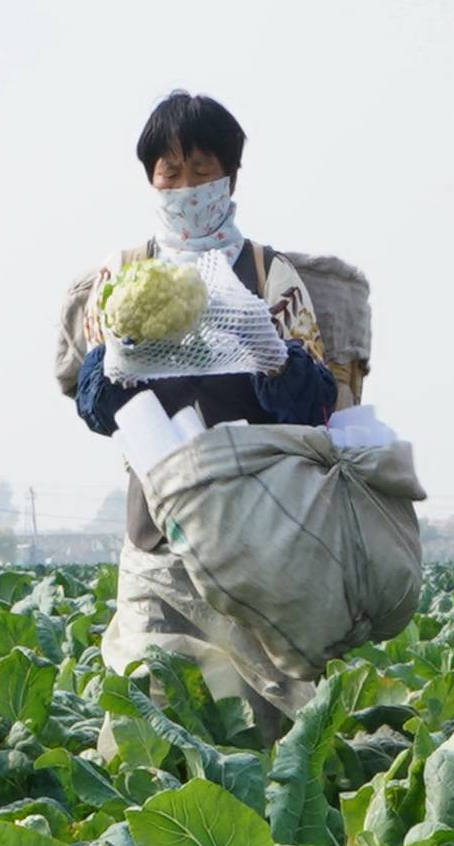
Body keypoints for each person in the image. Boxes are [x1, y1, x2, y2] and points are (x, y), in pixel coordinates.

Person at [51, 90, 370, 724]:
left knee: (265, 720)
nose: (187, 187)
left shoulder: (268, 276)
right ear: (151, 180)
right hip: (158, 534)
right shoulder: (121, 276)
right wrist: (117, 361)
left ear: (230, 176)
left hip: (259, 535)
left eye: (202, 170)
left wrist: (271, 354)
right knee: (151, 713)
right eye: (170, 172)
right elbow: (94, 406)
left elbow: (314, 408)